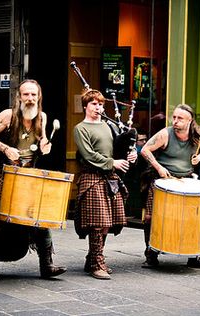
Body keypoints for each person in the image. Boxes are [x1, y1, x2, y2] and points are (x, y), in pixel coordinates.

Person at [0, 79, 67, 281]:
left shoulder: (42, 117)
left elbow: (42, 140)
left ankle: (47, 265)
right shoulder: (8, 116)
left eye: (33, 95)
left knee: (39, 219)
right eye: (26, 95)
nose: (29, 99)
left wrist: (46, 145)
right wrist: (5, 148)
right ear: (19, 97)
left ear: (39, 97)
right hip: (4, 175)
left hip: (29, 176)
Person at [73, 89, 137, 280]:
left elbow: (118, 149)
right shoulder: (80, 128)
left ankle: (92, 258)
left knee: (108, 224)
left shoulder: (109, 126)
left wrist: (130, 155)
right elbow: (88, 155)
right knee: (97, 223)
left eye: (100, 104)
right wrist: (112, 163)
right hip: (92, 177)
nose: (98, 107)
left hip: (111, 179)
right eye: (93, 104)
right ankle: (96, 264)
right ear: (85, 106)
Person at [140, 104, 200, 269]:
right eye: (174, 117)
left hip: (186, 179)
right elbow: (145, 150)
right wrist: (159, 167)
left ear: (190, 120)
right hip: (162, 178)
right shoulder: (166, 133)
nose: (175, 121)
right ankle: (151, 254)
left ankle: (194, 256)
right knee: (151, 216)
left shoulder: (197, 134)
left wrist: (199, 157)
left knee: (193, 218)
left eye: (180, 118)